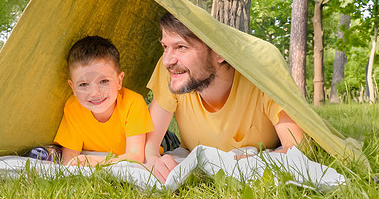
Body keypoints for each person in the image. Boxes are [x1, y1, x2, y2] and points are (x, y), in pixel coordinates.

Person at [144, 13, 304, 182]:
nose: (167, 60)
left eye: (181, 47)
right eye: (165, 47)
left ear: (220, 51)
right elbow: (149, 145)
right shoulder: (175, 73)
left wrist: (252, 162)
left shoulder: (262, 72)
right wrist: (153, 159)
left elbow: (298, 147)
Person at [54, 36, 153, 166]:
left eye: (104, 81)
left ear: (119, 81)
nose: (94, 93)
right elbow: (70, 159)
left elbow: (135, 157)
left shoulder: (133, 103)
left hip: (148, 136)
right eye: (83, 84)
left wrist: (97, 162)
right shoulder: (73, 107)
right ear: (73, 88)